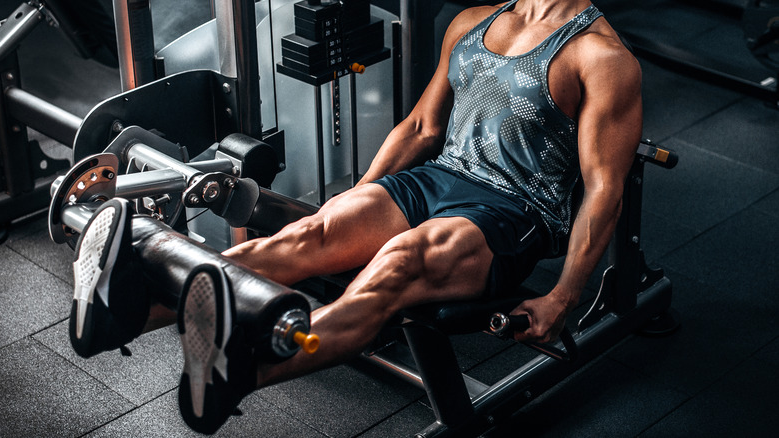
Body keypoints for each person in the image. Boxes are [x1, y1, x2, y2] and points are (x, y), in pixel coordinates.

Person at [68, 0, 642, 434]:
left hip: (511, 211)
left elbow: (603, 190)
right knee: (307, 236)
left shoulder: (602, 59)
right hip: (435, 179)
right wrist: (357, 204)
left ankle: (241, 373)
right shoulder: (473, 21)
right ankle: (125, 313)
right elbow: (421, 128)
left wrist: (562, 299)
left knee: (398, 264)